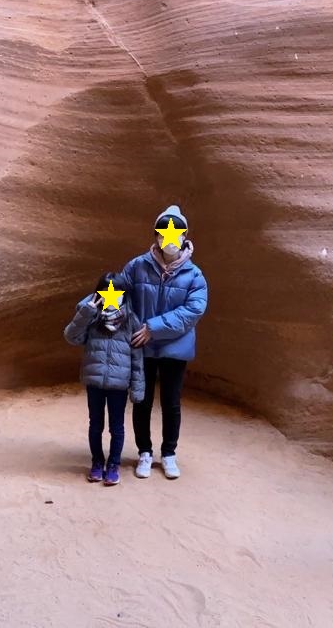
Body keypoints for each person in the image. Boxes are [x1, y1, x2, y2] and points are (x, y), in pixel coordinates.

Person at [113, 204, 208, 480]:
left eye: (175, 232)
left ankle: (168, 454)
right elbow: (118, 294)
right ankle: (144, 451)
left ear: (184, 235)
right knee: (141, 400)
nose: (168, 238)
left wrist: (153, 328)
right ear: (155, 235)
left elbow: (193, 311)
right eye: (163, 232)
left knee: (171, 402)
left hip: (173, 348)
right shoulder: (137, 266)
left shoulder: (195, 276)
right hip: (141, 346)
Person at [63, 271, 145, 486]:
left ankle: (113, 464)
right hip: (95, 382)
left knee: (117, 427)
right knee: (95, 424)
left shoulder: (130, 321)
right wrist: (87, 310)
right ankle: (97, 462)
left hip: (119, 383)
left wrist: (137, 387)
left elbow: (137, 358)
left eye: (116, 293)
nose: (112, 297)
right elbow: (72, 336)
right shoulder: (92, 317)